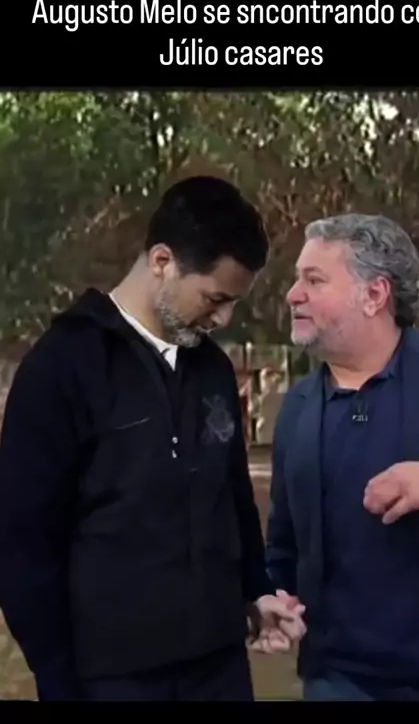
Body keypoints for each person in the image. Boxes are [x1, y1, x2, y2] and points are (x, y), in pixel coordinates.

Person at [0, 175, 305, 702]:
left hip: (219, 669)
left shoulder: (213, 371)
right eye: (215, 298)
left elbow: (232, 498)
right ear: (163, 261)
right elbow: (24, 545)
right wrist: (58, 678)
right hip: (111, 678)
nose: (224, 318)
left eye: (233, 302)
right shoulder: (62, 368)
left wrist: (255, 592)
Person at [265, 212, 419, 702]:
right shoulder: (297, 408)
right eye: (297, 279)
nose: (293, 294)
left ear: (375, 294)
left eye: (314, 280)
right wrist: (272, 596)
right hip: (341, 681)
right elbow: (285, 542)